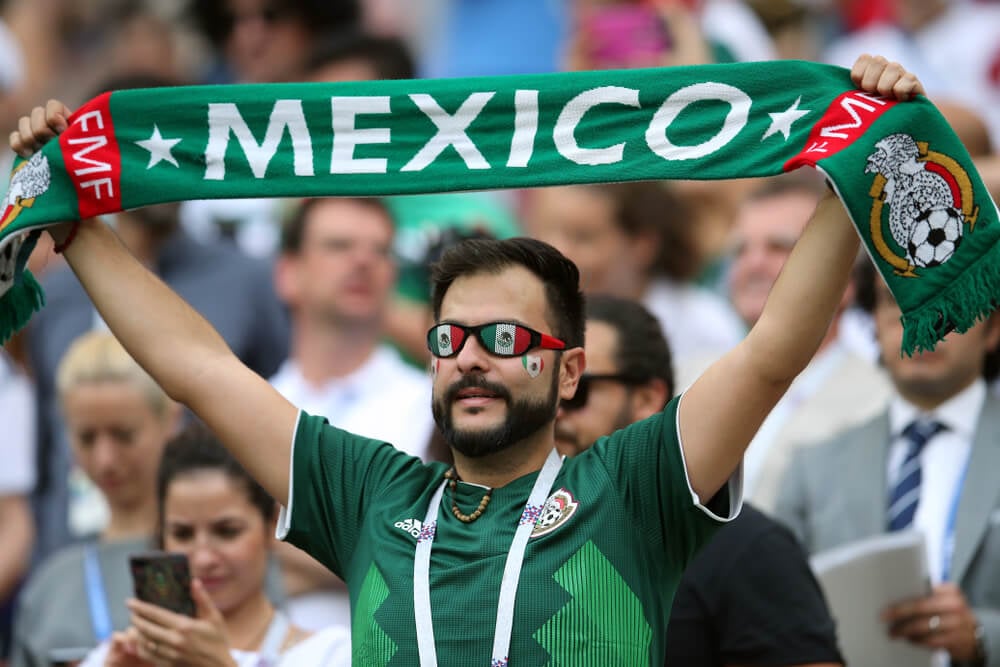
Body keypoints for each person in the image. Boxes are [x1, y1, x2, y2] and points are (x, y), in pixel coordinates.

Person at [10, 55, 923, 664]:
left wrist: (854, 162)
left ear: (570, 372)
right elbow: (198, 367)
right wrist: (79, 228)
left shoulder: (633, 485)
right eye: (450, 339)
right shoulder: (372, 492)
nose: (470, 360)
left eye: (506, 339)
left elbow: (771, 353)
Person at [26, 72, 290, 562]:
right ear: (96, 156)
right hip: (72, 563)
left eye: (173, 139)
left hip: (201, 559)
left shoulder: (246, 281)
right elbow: (47, 449)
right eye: (138, 142)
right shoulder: (56, 294)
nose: (159, 158)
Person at [555, 294, 844, 667]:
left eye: (579, 389)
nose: (557, 409)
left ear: (646, 398)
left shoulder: (747, 548)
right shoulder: (512, 530)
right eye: (547, 388)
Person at [774, 260, 1000, 667]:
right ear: (873, 324)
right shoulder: (813, 467)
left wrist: (982, 637)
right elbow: (766, 608)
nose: (921, 321)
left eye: (946, 298)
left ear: (993, 326)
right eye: (895, 300)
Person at [270, 196, 436, 630]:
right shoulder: (255, 403)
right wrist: (355, 547)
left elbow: (430, 556)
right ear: (288, 273)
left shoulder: (434, 409)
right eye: (339, 246)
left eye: (380, 250)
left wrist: (273, 549)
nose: (363, 261)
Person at [79, 424, 351, 667]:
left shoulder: (330, 655)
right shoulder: (114, 657)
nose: (203, 558)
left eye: (227, 532)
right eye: (182, 534)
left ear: (271, 527)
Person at [723, 173, 892, 511]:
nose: (753, 265)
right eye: (741, 250)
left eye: (780, 247)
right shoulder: (687, 375)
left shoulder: (879, 401)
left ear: (845, 281)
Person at [10, 332, 181, 667]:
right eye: (87, 437)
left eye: (124, 434)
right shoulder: (51, 585)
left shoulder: (215, 560)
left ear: (170, 420)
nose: (105, 459)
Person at [522, 180, 745, 372]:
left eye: (583, 237)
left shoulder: (705, 326)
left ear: (642, 245)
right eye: (550, 231)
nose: (560, 251)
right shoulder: (530, 316)